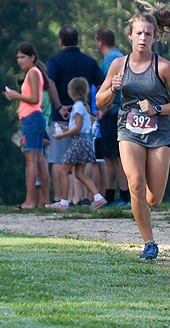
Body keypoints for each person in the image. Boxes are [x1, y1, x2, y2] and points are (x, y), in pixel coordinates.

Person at [96, 0, 170, 260]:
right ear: (130, 36)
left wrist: (157, 109)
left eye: (148, 34)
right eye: (138, 33)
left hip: (160, 132)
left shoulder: (163, 67)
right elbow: (99, 100)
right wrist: (113, 89)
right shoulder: (119, 65)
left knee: (153, 198)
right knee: (136, 185)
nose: (143, 38)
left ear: (154, 37)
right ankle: (149, 243)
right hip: (129, 130)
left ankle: (147, 216)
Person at [46, 26, 104, 207]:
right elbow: (103, 83)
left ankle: (60, 198)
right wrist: (101, 107)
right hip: (85, 120)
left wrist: (59, 106)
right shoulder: (89, 61)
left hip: (61, 115)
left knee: (58, 160)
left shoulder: (55, 61)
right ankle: (87, 196)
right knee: (81, 166)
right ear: (77, 40)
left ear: (60, 41)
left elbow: (50, 82)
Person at [4, 43, 52, 210]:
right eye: (18, 57)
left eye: (23, 57)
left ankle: (30, 201)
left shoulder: (32, 73)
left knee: (31, 160)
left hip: (31, 117)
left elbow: (34, 99)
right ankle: (44, 199)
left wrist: (16, 95)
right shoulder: (35, 73)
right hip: (34, 118)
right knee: (39, 159)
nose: (20, 60)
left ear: (32, 57)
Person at [49, 77, 107, 210]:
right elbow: (78, 126)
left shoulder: (77, 107)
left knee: (64, 171)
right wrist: (66, 129)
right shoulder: (82, 107)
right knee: (79, 173)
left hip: (78, 142)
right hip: (85, 142)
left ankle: (63, 202)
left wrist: (62, 135)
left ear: (71, 92)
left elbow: (77, 128)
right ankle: (98, 197)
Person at [95, 26, 130, 206]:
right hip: (111, 113)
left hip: (112, 113)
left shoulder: (112, 59)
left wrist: (104, 107)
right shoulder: (118, 55)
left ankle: (124, 196)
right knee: (108, 157)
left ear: (99, 41)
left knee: (116, 157)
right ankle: (109, 195)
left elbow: (112, 87)